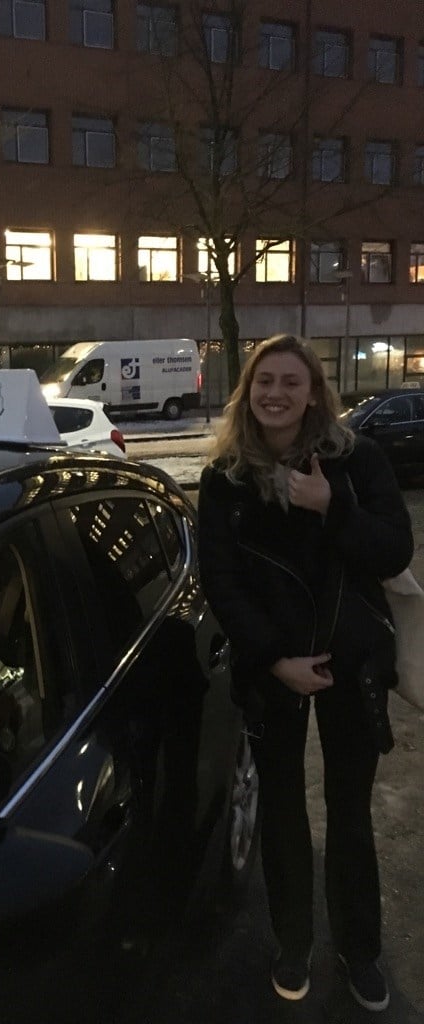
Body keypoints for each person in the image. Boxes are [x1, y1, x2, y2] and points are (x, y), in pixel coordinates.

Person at [197, 334, 413, 1012]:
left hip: (353, 663)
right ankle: (292, 942)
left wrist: (332, 506)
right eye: (264, 381)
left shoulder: (358, 459)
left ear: (315, 391)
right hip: (274, 667)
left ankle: (359, 950)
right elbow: (221, 581)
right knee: (284, 812)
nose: (276, 394)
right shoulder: (225, 476)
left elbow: (395, 550)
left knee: (350, 811)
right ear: (248, 391)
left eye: (292, 381)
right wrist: (272, 659)